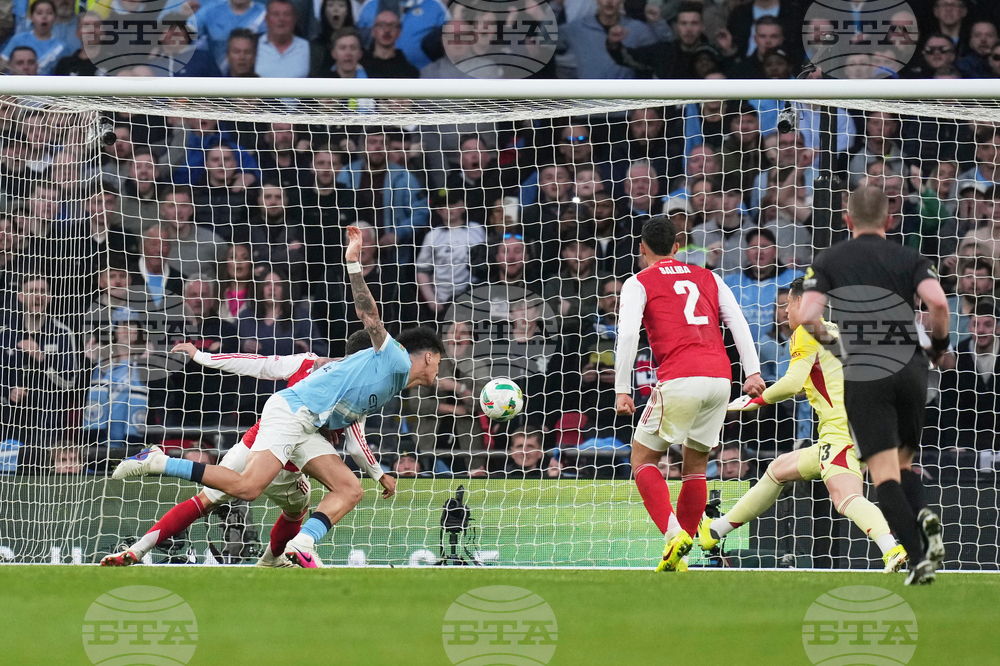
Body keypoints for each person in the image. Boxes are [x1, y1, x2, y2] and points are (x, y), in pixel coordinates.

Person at [114, 227, 445, 568]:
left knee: (348, 489)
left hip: (304, 434)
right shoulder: (387, 357)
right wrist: (203, 356)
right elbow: (263, 362)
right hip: (285, 420)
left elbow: (355, 438)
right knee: (244, 489)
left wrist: (377, 474)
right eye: (439, 361)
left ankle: (292, 549)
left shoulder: (378, 387)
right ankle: (160, 463)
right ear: (429, 356)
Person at [102, 331, 393, 567]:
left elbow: (257, 363)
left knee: (208, 500)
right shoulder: (358, 389)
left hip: (260, 438)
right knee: (297, 506)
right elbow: (356, 443)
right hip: (291, 452)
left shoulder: (309, 363)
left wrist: (202, 356)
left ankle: (139, 548)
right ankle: (277, 558)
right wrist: (379, 474)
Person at [798, 186, 951, 585]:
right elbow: (938, 303)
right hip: (911, 368)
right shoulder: (909, 257)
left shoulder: (830, 259)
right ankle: (924, 514)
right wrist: (938, 347)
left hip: (866, 370)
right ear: (890, 219)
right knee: (904, 464)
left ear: (847, 219)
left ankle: (918, 559)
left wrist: (835, 345)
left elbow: (808, 316)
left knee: (883, 475)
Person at [708, 277, 908, 573]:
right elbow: (820, 381)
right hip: (862, 427)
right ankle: (714, 531)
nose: (784, 311)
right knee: (778, 469)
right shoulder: (835, 332)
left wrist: (754, 401)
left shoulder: (805, 331)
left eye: (787, 303)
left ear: (801, 302)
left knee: (845, 497)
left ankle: (891, 548)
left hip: (842, 433)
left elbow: (791, 383)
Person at [614, 216, 763, 572]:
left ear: (642, 249)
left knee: (642, 459)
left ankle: (673, 534)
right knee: (695, 466)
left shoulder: (638, 282)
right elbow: (738, 322)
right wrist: (753, 372)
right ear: (677, 247)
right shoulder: (709, 277)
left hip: (681, 377)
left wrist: (622, 389)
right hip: (720, 379)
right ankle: (680, 556)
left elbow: (629, 335)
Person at [0, 0, 69, 76]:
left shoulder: (61, 47)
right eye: (39, 13)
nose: (44, 17)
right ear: (31, 17)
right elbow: (2, 64)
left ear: (55, 18)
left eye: (49, 13)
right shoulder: (19, 39)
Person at [255, 0, 310, 78]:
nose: (281, 19)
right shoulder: (254, 45)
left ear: (294, 19)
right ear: (266, 19)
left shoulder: (308, 48)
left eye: (287, 14)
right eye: (275, 14)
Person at [361, 10, 418, 78]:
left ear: (399, 33)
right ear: (373, 31)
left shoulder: (409, 72)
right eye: (382, 25)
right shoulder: (359, 65)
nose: (387, 30)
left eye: (393, 26)